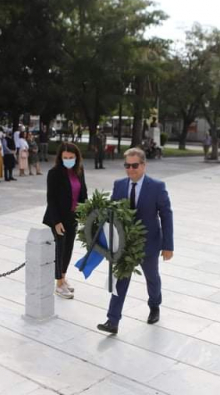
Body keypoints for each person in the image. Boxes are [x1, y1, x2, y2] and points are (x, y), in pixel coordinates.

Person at [97, 148, 174, 335]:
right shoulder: (119, 185)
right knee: (121, 279)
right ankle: (112, 320)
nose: (130, 169)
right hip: (125, 244)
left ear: (143, 165)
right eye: (127, 165)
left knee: (152, 277)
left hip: (149, 243)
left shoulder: (157, 186)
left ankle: (154, 305)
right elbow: (113, 213)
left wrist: (168, 245)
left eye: (134, 165)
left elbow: (166, 215)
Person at [43, 142, 88, 299]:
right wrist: (56, 222)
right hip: (58, 219)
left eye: (71, 157)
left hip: (72, 217)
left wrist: (86, 212)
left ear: (76, 157)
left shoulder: (79, 171)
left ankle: (63, 276)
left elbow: (84, 194)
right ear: (60, 158)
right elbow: (51, 199)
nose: (68, 160)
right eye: (65, 158)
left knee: (68, 248)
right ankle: (59, 283)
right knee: (59, 249)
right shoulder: (54, 173)